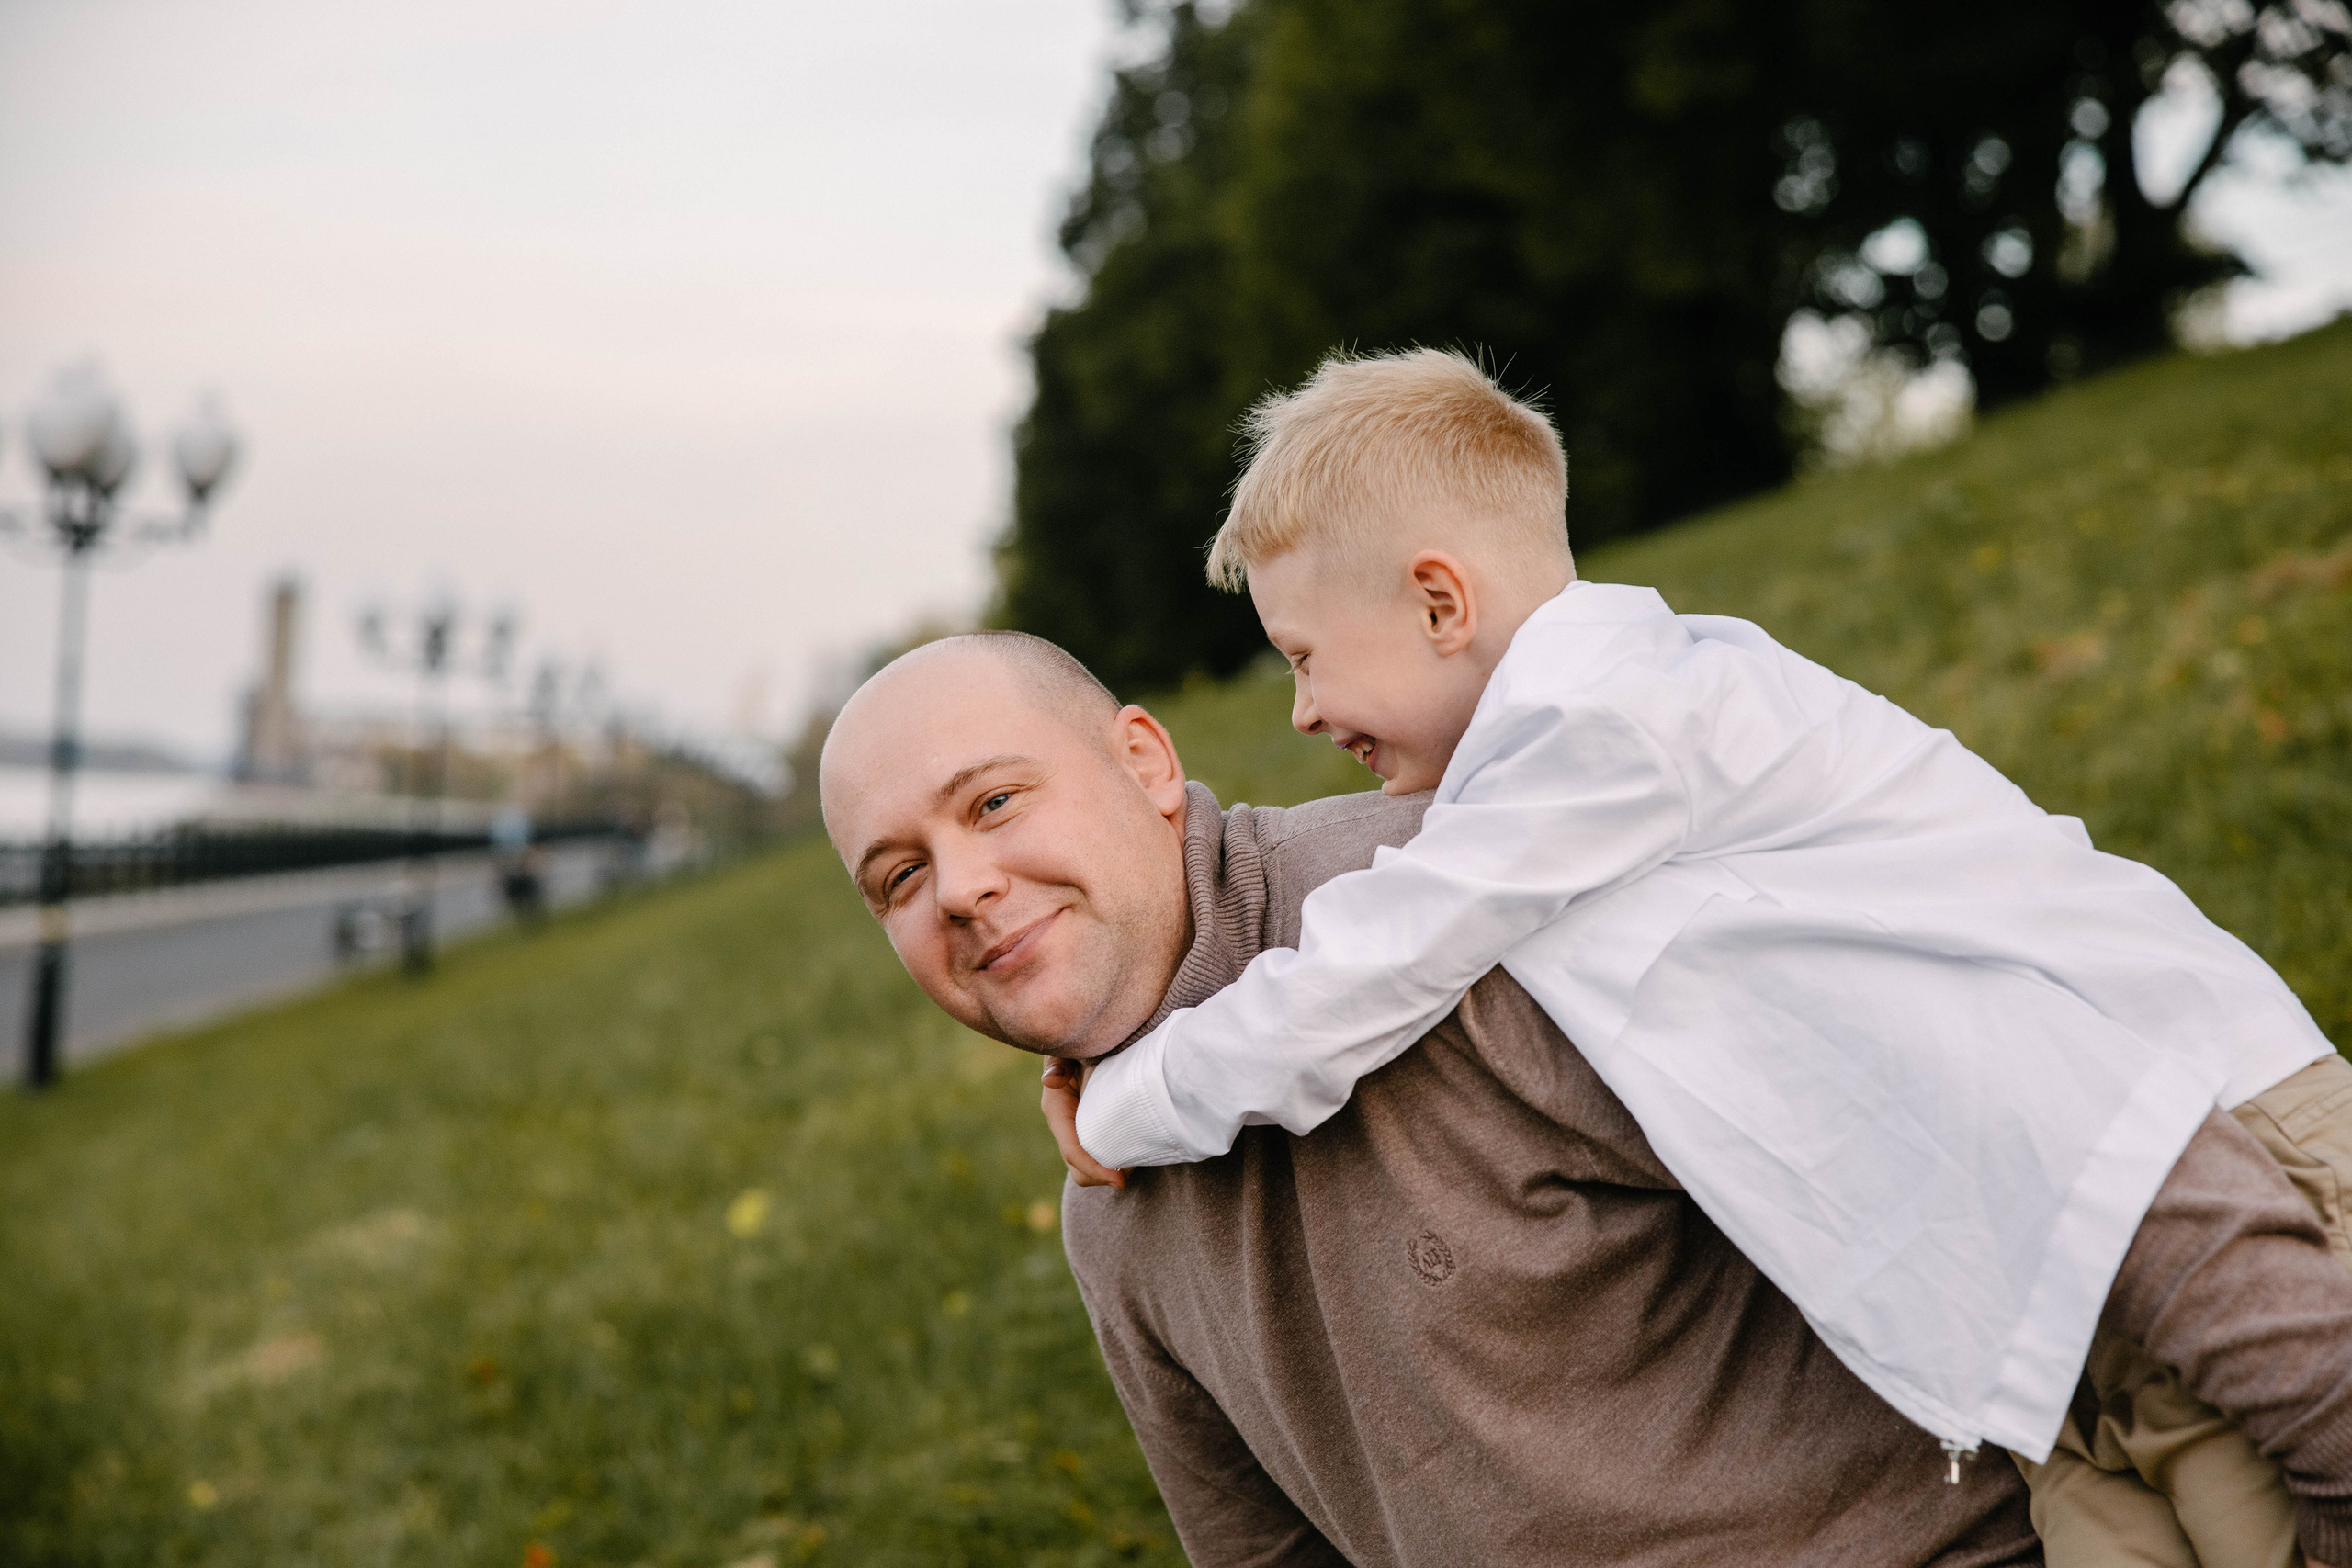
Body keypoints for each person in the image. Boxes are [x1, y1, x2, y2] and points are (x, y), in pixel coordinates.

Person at [1057, 348, 2352, 1566]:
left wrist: (1129, 1098)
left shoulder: (1614, 719)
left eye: (1304, 657)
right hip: (2037, 1273)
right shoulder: (1576, 748)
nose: (1298, 712)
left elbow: (1375, 963)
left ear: (1441, 601)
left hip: (2214, 1138)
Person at [818, 630, 2352, 1567]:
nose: (963, 889)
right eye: (899, 878)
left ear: (1144, 759)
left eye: (996, 801)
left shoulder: (1473, 906)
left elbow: (2048, 1126)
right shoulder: (1111, 1193)